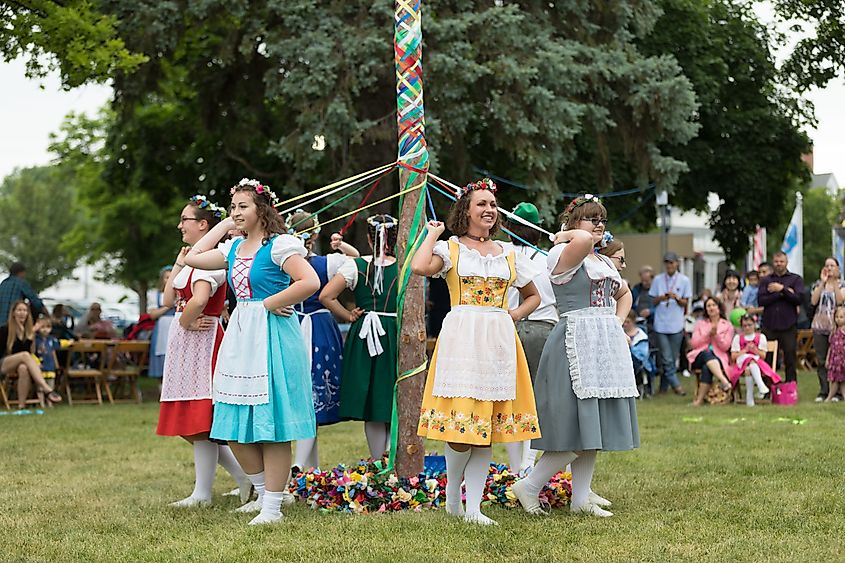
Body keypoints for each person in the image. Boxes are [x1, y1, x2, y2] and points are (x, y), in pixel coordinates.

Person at [185, 178, 319, 526]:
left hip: (272, 335)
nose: (237, 213)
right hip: (241, 337)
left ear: (262, 210)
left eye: (243, 206)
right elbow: (194, 257)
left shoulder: (280, 246)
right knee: (230, 422)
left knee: (271, 424)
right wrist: (224, 224)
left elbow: (309, 282)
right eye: (234, 207)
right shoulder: (232, 248)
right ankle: (265, 492)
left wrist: (272, 303)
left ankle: (272, 507)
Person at [413, 178, 541, 525]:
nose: (489, 210)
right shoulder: (452, 249)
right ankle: (453, 494)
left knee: (484, 427)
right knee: (460, 428)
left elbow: (534, 296)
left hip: (498, 340)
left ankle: (473, 509)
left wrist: (510, 315)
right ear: (466, 210)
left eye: (492, 205)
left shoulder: (509, 253)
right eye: (481, 204)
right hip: (462, 340)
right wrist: (431, 234)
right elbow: (419, 267)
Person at [511, 194, 638, 519]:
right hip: (574, 341)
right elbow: (580, 239)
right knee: (575, 427)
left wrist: (616, 322)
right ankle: (529, 485)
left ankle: (580, 496)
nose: (598, 225)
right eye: (591, 218)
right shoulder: (562, 252)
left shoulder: (602, 260)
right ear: (572, 223)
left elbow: (624, 293)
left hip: (601, 343)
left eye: (601, 220)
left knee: (593, 426)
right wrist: (567, 233)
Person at [157, 195, 251, 508]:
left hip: (203, 338)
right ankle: (243, 477)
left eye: (185, 219)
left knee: (200, 420)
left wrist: (185, 322)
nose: (179, 225)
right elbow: (168, 299)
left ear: (202, 224)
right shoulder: (190, 257)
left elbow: (197, 300)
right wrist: (179, 260)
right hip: (187, 340)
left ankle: (204, 493)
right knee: (189, 421)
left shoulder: (214, 260)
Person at [319, 215, 399, 461]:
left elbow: (326, 296)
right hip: (395, 332)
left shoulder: (356, 266)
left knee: (373, 400)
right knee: (389, 396)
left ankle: (378, 459)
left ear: (367, 238)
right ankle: (390, 459)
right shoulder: (406, 265)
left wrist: (348, 315)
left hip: (365, 333)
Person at [285, 210, 359, 472]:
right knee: (312, 397)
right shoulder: (328, 263)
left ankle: (306, 467)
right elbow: (356, 260)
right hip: (319, 328)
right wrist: (341, 246)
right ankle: (305, 467)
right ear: (316, 234)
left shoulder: (284, 262)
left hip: (293, 324)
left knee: (305, 397)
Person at [502, 202, 555, 476]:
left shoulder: (501, 253)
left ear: (509, 227)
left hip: (508, 328)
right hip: (544, 330)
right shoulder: (550, 258)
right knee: (537, 399)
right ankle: (528, 463)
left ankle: (515, 467)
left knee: (510, 399)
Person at [0, 301, 62, 408]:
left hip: (17, 364)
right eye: (19, 310)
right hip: (2, 363)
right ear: (13, 313)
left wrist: (28, 334)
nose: (22, 313)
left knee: (23, 368)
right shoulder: (5, 329)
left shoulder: (28, 331)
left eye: (24, 310)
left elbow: (27, 352)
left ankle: (21, 406)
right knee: (24, 355)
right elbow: (20, 353)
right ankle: (46, 388)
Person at [757, 251, 804, 383]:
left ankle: (790, 386)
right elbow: (761, 301)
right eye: (776, 262)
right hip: (769, 325)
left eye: (781, 262)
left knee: (790, 357)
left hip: (788, 325)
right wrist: (782, 294)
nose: (779, 264)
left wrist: (781, 288)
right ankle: (767, 387)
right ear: (773, 262)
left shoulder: (795, 279)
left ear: (786, 262)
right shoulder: (766, 280)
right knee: (768, 358)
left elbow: (798, 299)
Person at [649, 252, 691, 395]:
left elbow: (686, 303)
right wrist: (662, 298)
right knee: (666, 358)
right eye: (667, 262)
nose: (669, 265)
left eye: (672, 262)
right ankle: (677, 386)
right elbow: (652, 300)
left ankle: (663, 387)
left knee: (672, 359)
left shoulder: (684, 280)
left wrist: (677, 299)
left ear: (677, 263)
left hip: (676, 324)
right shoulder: (658, 280)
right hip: (661, 324)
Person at [687, 297, 735, 406]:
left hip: (719, 357)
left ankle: (699, 400)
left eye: (714, 305)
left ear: (719, 308)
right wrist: (707, 334)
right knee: (707, 354)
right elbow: (694, 343)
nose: (711, 308)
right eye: (708, 306)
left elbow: (726, 347)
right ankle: (724, 381)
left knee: (706, 367)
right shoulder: (700, 324)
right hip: (699, 355)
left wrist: (716, 335)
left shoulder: (727, 325)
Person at [810, 258, 845, 402]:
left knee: (838, 361)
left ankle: (837, 392)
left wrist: (834, 283)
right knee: (822, 360)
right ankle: (824, 390)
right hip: (819, 326)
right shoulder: (818, 284)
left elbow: (840, 301)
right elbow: (813, 301)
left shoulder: (842, 284)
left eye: (832, 266)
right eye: (827, 266)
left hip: (836, 327)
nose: (829, 268)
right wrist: (823, 282)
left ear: (838, 268)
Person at [731, 314, 780, 405]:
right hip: (741, 362)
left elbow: (763, 356)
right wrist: (745, 350)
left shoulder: (761, 337)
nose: (747, 328)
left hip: (757, 363)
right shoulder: (738, 338)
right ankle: (761, 385)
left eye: (750, 325)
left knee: (749, 367)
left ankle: (749, 398)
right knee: (749, 359)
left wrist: (755, 350)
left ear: (754, 325)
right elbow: (733, 356)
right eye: (745, 326)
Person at [148, 267, 176, 378]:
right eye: (166, 278)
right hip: (162, 330)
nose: (169, 280)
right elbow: (153, 315)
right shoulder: (156, 295)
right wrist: (168, 305)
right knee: (162, 355)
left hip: (176, 326)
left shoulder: (181, 294)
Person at [623, 310, 654, 398]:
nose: (625, 324)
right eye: (624, 321)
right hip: (622, 361)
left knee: (632, 359)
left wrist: (631, 347)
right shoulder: (619, 333)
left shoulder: (641, 336)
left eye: (627, 322)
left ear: (633, 321)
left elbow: (643, 354)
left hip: (639, 361)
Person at [34, 317, 61, 392]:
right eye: (42, 327)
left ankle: (50, 402)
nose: (45, 329)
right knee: (40, 387)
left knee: (51, 385)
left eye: (48, 327)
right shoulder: (35, 340)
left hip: (50, 366)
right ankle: (41, 402)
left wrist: (70, 342)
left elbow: (56, 349)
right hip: (40, 366)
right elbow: (32, 352)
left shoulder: (51, 339)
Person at [824, 307, 845, 402]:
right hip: (834, 360)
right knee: (836, 380)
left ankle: (829, 397)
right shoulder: (834, 332)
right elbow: (831, 347)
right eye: (836, 317)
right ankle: (830, 397)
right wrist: (828, 359)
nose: (838, 319)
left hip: (842, 359)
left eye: (841, 317)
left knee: (840, 380)